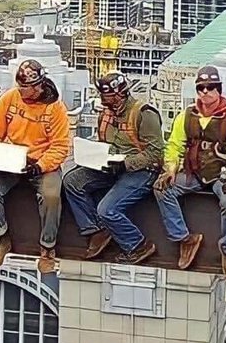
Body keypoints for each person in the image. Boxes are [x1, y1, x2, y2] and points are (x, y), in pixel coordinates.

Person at [154, 64, 226, 279]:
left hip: (222, 175)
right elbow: (174, 145)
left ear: (218, 89)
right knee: (162, 189)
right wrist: (171, 168)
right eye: (201, 88)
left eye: (210, 87)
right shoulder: (187, 116)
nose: (205, 92)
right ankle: (184, 238)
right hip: (194, 173)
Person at [62, 71, 164, 266]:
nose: (103, 100)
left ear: (119, 94)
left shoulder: (144, 114)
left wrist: (126, 163)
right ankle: (96, 231)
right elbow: (104, 142)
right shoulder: (105, 114)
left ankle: (137, 244)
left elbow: (156, 154)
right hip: (112, 166)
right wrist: (96, 156)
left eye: (106, 95)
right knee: (72, 181)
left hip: (141, 171)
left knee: (107, 209)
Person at [0, 59, 70, 275]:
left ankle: (47, 248)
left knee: (51, 196)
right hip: (11, 159)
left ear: (39, 85)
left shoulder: (54, 108)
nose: (22, 91)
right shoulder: (10, 99)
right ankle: (0, 239)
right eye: (19, 86)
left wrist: (39, 166)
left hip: (41, 163)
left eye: (26, 88)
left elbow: (60, 146)